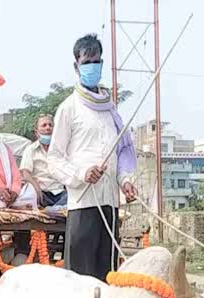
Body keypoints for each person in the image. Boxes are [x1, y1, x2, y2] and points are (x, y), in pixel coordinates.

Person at [48, 34, 138, 281]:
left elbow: (122, 152)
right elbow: (54, 158)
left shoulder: (111, 111)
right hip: (83, 204)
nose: (92, 66)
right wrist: (81, 173)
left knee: (107, 277)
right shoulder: (69, 107)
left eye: (96, 61)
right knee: (80, 281)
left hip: (109, 205)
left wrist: (126, 181)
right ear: (76, 66)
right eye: (87, 61)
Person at [20, 114, 67, 207]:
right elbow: (25, 173)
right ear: (36, 132)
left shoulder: (61, 149)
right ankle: (55, 210)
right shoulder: (31, 150)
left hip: (60, 193)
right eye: (44, 125)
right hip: (41, 193)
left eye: (50, 125)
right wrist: (36, 188)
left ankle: (54, 210)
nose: (48, 128)